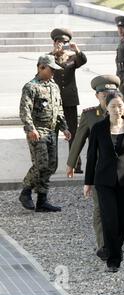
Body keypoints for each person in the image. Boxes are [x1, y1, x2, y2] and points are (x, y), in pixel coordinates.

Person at [66, 75, 124, 261]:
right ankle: (103, 245)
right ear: (97, 96)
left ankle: (114, 243)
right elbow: (79, 139)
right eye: (104, 94)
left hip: (121, 172)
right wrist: (71, 163)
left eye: (111, 93)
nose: (107, 97)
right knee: (100, 209)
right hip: (99, 171)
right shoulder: (90, 115)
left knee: (122, 213)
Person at [84, 91, 124, 273]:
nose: (117, 109)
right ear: (106, 107)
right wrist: (88, 182)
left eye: (120, 106)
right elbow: (91, 156)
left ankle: (113, 245)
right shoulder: (98, 128)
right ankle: (114, 260)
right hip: (104, 181)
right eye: (113, 106)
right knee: (110, 219)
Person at [19, 55, 71, 212]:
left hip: (51, 131)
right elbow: (25, 110)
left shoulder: (53, 87)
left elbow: (59, 109)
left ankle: (42, 200)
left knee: (51, 166)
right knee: (41, 164)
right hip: (37, 131)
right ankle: (25, 192)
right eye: (51, 69)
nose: (53, 73)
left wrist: (64, 127)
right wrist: (31, 129)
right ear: (41, 67)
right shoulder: (31, 87)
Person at [49, 28, 87, 174]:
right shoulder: (49, 57)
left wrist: (77, 50)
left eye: (65, 42)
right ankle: (52, 166)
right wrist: (54, 53)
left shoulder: (72, 57)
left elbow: (83, 60)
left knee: (73, 133)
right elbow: (42, 69)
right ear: (54, 42)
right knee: (52, 133)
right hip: (54, 101)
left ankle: (76, 164)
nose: (62, 45)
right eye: (59, 42)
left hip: (70, 101)